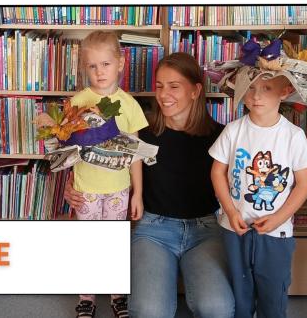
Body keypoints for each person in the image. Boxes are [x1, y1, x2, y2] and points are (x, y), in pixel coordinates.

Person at [66, 53, 235, 318]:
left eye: (174, 86)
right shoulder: (140, 131)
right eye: (159, 86)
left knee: (217, 308)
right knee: (148, 311)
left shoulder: (222, 136)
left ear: (195, 91)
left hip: (205, 230)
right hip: (154, 230)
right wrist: (73, 184)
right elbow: (97, 159)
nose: (164, 94)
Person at [208, 38, 307, 318]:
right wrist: (230, 211)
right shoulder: (233, 130)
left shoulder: (293, 136)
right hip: (235, 229)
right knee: (240, 294)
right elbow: (217, 172)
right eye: (251, 88)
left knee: (272, 293)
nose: (256, 96)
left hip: (276, 234)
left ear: (285, 91)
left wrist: (279, 218)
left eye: (266, 88)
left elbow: (304, 184)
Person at [68, 31, 148, 318]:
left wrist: (138, 193)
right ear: (84, 68)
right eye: (92, 66)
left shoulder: (129, 104)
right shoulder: (78, 101)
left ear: (120, 63)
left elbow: (135, 153)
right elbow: (68, 146)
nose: (99, 72)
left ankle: (117, 296)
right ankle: (86, 298)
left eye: (105, 64)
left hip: (118, 188)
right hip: (86, 188)